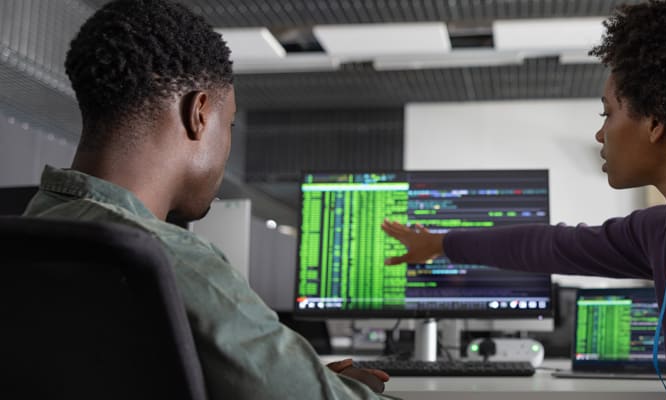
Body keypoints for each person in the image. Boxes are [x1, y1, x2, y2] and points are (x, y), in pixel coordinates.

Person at [382, 1, 666, 399]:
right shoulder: (663, 231)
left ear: (656, 122)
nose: (600, 133)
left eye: (609, 113)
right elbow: (549, 245)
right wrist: (441, 244)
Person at [22, 0, 391, 398]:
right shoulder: (168, 261)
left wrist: (299, 376)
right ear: (198, 113)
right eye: (227, 123)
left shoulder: (30, 232)